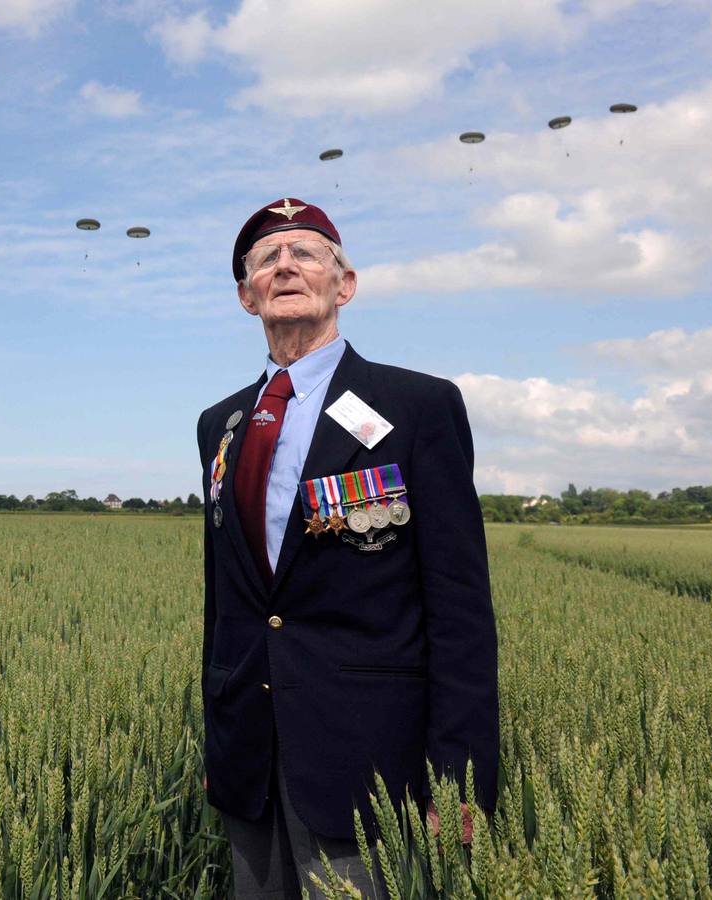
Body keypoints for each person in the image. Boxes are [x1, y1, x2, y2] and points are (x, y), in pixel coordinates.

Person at [196, 197, 498, 899]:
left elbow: (459, 609)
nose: (285, 266)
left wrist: (459, 776)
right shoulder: (222, 424)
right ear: (247, 297)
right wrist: (222, 742)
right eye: (267, 259)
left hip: (370, 767)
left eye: (306, 253)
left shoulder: (416, 407)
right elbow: (227, 601)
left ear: (345, 284)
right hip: (251, 762)